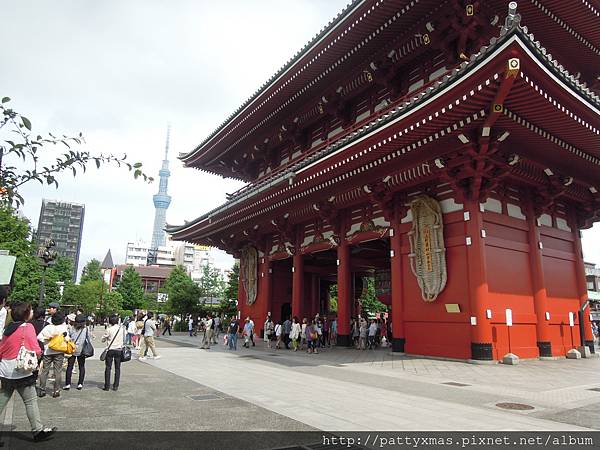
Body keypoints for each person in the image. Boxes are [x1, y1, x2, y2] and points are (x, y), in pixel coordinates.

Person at [0, 301, 57, 442]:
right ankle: (37, 431)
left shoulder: (8, 328)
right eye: (30, 310)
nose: (32, 312)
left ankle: (38, 430)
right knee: (30, 401)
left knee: (2, 400)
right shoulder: (28, 327)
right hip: (21, 370)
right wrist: (38, 357)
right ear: (25, 314)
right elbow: (36, 349)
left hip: (5, 370)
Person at [37, 311, 70, 398]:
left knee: (45, 371)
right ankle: (56, 390)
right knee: (58, 371)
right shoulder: (63, 328)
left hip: (48, 351)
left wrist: (47, 339)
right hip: (59, 352)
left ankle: (42, 389)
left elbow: (39, 337)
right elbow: (67, 339)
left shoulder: (47, 327)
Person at [64, 314, 89, 390]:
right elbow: (88, 339)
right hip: (81, 350)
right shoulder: (85, 329)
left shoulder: (72, 328)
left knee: (69, 366)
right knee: (81, 367)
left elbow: (68, 338)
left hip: (72, 349)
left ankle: (68, 384)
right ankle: (80, 383)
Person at [102, 315, 124, 391]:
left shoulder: (109, 329)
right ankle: (115, 385)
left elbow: (103, 339)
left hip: (110, 349)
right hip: (119, 349)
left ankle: (107, 386)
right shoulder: (122, 329)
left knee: (108, 367)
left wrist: (106, 338)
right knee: (117, 368)